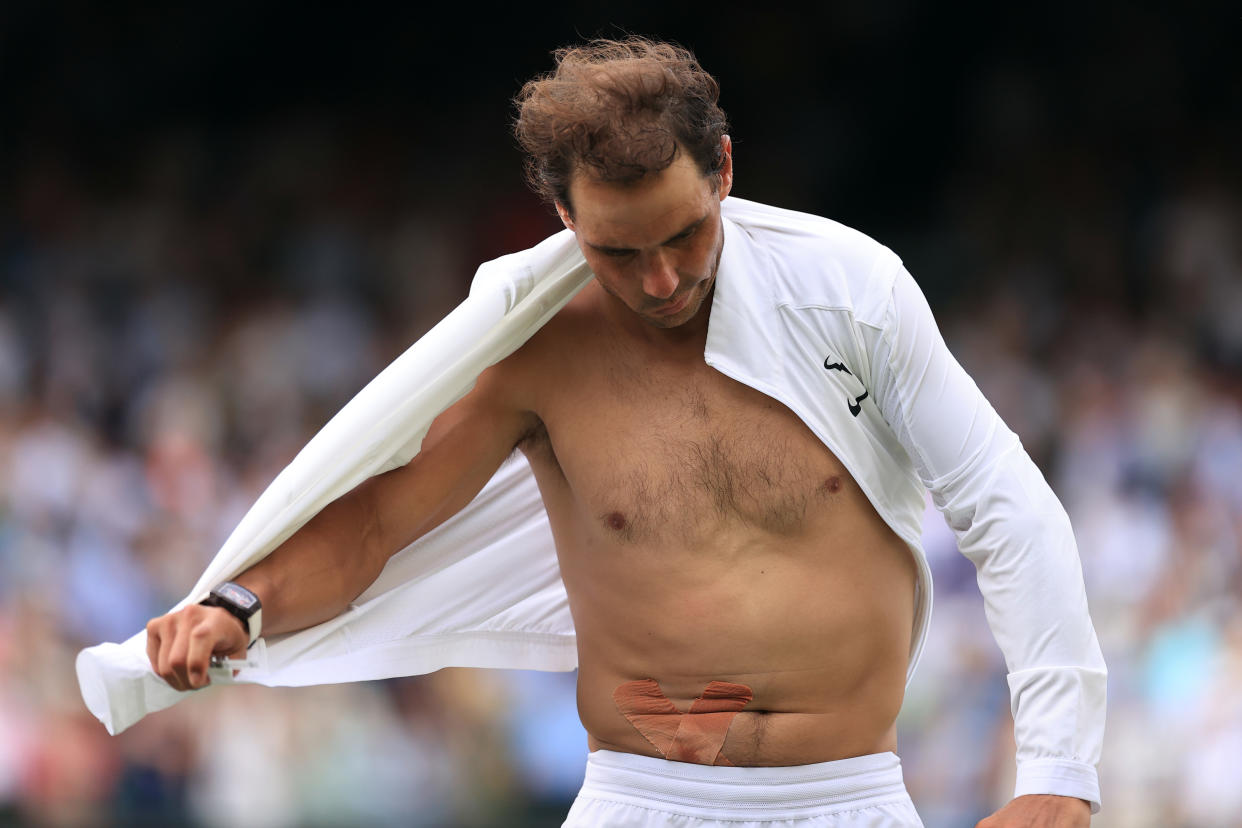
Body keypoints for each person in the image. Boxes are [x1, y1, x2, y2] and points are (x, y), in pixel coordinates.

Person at [143, 37, 1105, 827]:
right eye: (617, 251)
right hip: (637, 800)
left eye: (684, 234)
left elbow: (1009, 511)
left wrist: (1058, 771)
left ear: (724, 169)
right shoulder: (531, 346)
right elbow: (376, 523)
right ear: (562, 215)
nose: (660, 281)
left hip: (845, 798)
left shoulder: (855, 293)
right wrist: (238, 603)